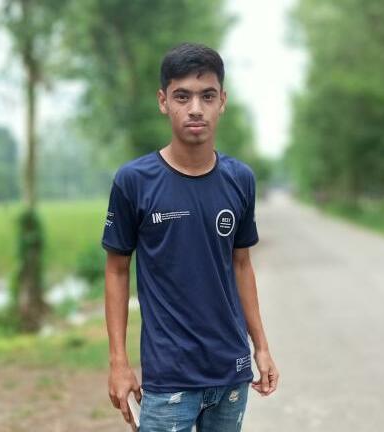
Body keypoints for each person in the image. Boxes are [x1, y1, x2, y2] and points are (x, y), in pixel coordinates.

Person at [101, 42, 279, 432]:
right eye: (182, 96)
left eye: (207, 96)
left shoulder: (240, 179)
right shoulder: (134, 181)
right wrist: (119, 362)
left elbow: (241, 265)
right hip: (168, 378)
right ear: (163, 101)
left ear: (222, 102)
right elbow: (116, 270)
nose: (195, 108)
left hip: (231, 373)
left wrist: (261, 347)